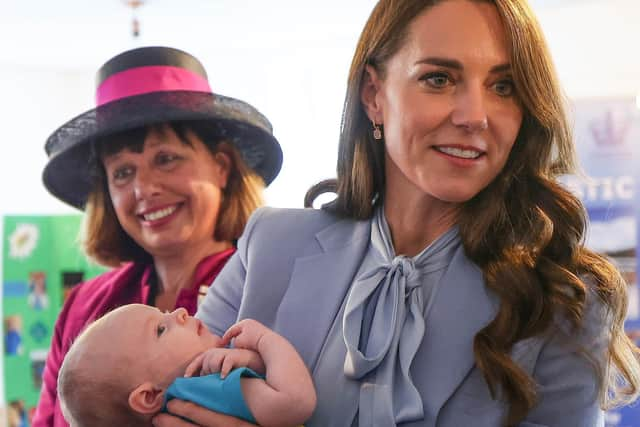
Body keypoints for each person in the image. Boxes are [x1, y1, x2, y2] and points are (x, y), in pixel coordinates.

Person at [153, 1, 640, 427]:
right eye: (439, 79)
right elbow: (159, 403)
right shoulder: (271, 245)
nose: (475, 115)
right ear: (373, 96)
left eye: (505, 86)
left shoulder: (564, 298)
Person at [33, 46, 282, 427]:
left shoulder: (272, 282)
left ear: (220, 168)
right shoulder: (83, 307)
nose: (144, 188)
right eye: (122, 172)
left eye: (165, 159)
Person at [57, 304, 316, 427]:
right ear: (149, 396)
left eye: (163, 312)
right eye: (160, 329)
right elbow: (294, 402)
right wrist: (265, 341)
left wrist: (250, 361)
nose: (180, 312)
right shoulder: (204, 390)